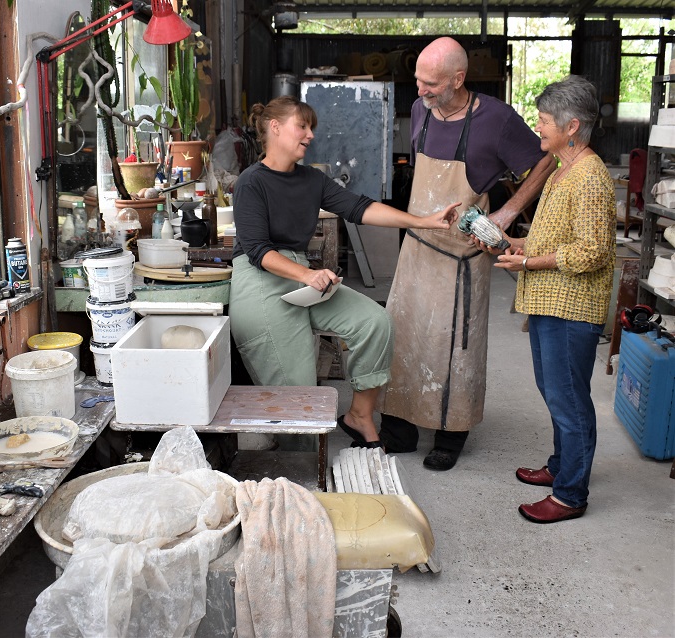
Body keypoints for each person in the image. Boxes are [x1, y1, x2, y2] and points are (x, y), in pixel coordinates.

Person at [229, 95, 458, 447]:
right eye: (302, 126)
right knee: (299, 392)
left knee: (374, 323)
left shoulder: (311, 180)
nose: (309, 136)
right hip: (260, 281)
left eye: (311, 128)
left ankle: (359, 415)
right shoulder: (250, 182)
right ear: (275, 128)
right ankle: (297, 468)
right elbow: (259, 251)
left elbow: (359, 208)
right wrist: (306, 275)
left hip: (300, 275)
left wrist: (423, 222)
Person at [375, 36, 557, 470]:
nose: (420, 91)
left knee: (456, 348)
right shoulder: (420, 109)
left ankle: (449, 435)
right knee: (403, 339)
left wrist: (510, 211)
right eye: (417, 81)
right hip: (418, 247)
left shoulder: (496, 118)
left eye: (431, 83)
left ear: (459, 78)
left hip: (463, 256)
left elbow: (546, 162)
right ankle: (398, 430)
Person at [486, 75, 615, 523]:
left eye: (543, 121)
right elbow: (558, 236)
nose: (537, 127)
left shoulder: (591, 177)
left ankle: (570, 494)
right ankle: (562, 467)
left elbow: (593, 251)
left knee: (569, 398)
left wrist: (529, 264)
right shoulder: (564, 170)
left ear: (572, 126)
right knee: (554, 389)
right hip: (549, 303)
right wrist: (519, 245)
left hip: (572, 306)